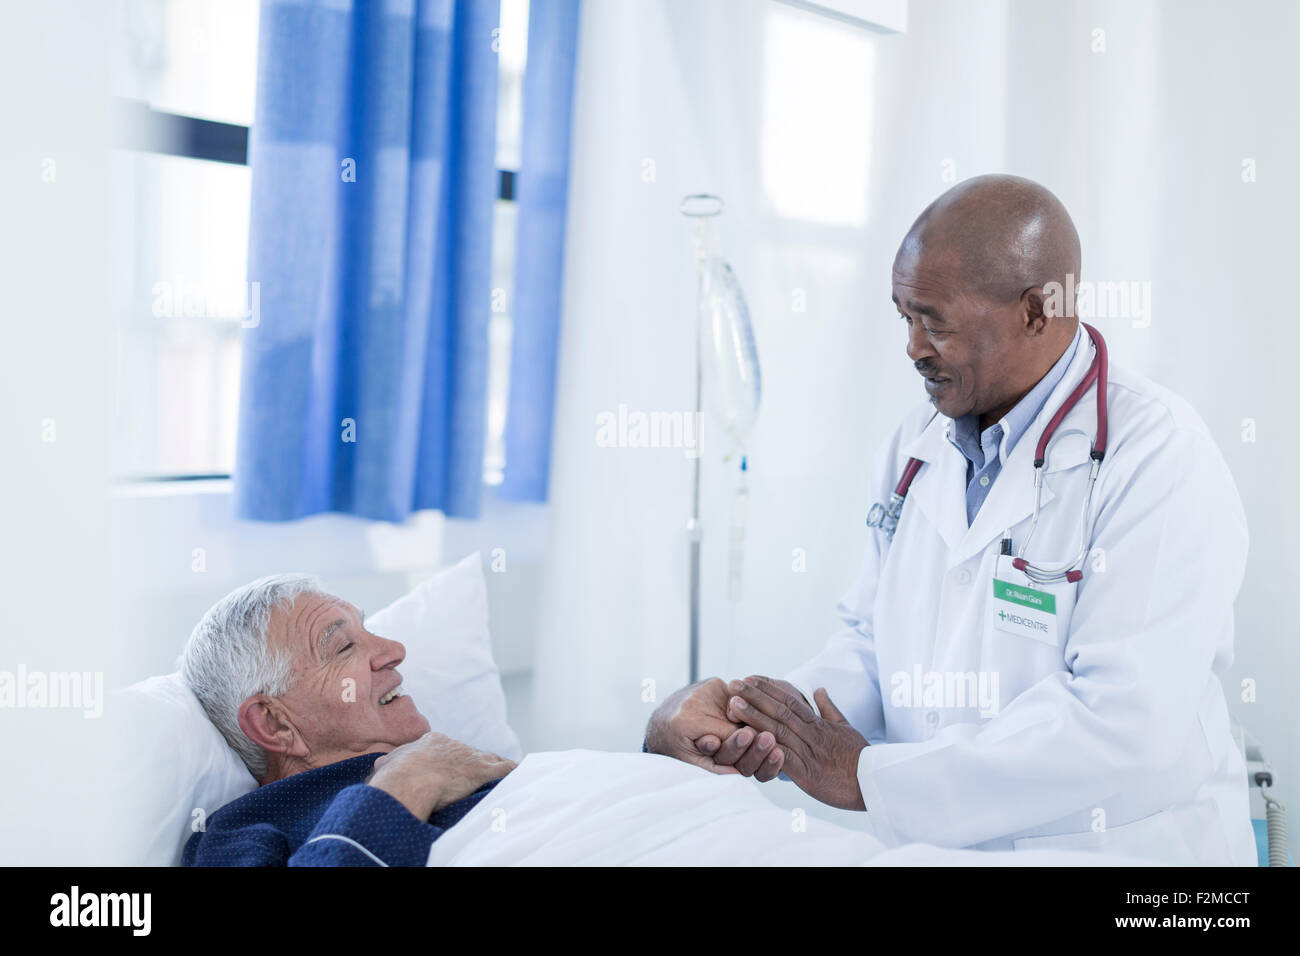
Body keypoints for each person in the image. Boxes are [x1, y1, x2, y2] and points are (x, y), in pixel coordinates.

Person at [646, 174, 1255, 865]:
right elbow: (870, 647)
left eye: (934, 321)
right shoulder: (917, 445)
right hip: (941, 850)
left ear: (1034, 313)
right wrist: (763, 723)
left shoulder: (1158, 455)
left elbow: (1124, 722)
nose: (912, 347)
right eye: (904, 317)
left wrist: (867, 776)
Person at [179, 574, 515, 866]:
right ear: (274, 724)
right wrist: (410, 781)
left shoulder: (462, 764)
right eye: (343, 647)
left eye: (368, 630)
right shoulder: (243, 828)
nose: (395, 649)